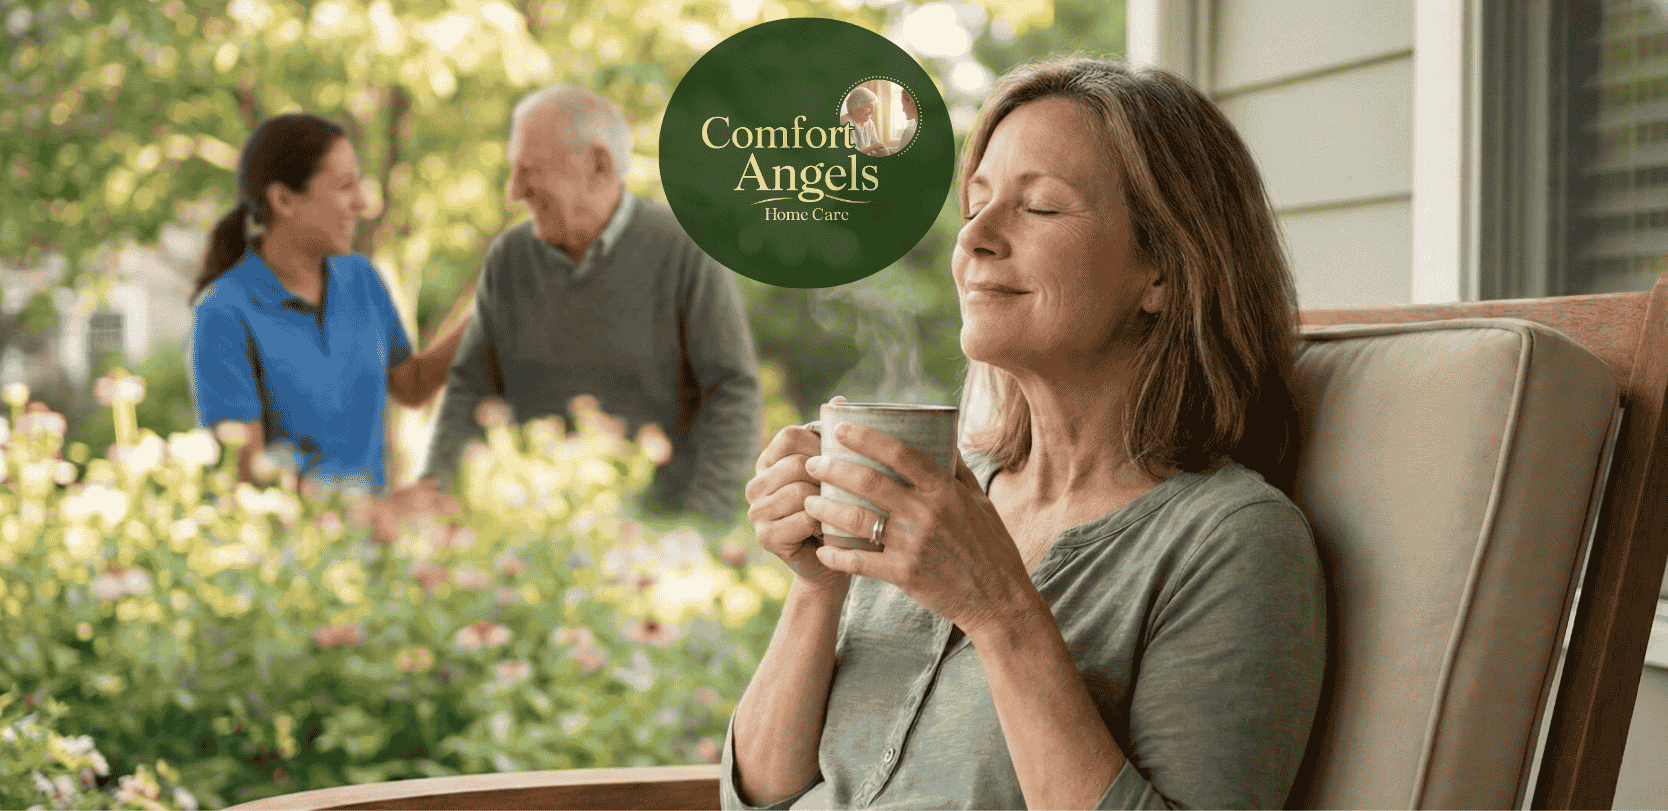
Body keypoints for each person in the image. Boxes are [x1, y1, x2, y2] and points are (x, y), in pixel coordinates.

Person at [728, 58, 1326, 810]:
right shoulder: (939, 491)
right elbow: (761, 796)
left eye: (1040, 207)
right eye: (977, 203)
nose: (975, 237)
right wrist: (819, 586)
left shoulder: (1232, 541)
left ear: (1163, 271)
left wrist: (999, 610)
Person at [413, 86, 762, 522]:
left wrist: (700, 521)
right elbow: (469, 388)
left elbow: (731, 392)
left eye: (530, 170)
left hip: (651, 531)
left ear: (598, 165)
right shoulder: (509, 259)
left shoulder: (684, 252)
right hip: (526, 524)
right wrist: (436, 493)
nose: (515, 190)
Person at [188, 113, 469, 493]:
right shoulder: (223, 312)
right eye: (345, 186)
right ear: (284, 200)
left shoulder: (362, 279)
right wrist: (362, 509)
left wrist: (488, 316)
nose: (363, 203)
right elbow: (248, 471)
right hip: (291, 530)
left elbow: (411, 385)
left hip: (370, 524)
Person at [839, 87, 892, 157]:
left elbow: (876, 146)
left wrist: (886, 150)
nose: (872, 111)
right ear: (855, 106)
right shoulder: (845, 122)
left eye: (874, 107)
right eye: (869, 106)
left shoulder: (869, 123)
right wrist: (872, 147)